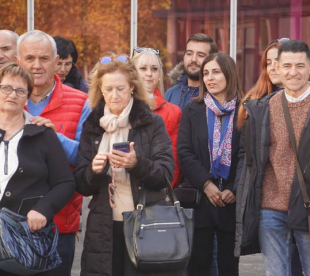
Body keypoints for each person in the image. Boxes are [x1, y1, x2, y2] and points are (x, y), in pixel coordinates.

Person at [234, 40, 310, 276]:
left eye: (300, 65)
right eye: (287, 65)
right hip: (269, 210)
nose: (293, 72)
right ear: (277, 68)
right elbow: (252, 161)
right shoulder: (262, 109)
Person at [74, 53, 180, 276]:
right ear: (100, 91)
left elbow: (165, 174)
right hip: (103, 227)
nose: (114, 95)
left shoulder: (151, 122)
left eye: (120, 88)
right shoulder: (92, 125)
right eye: (108, 89)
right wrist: (94, 170)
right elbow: (82, 185)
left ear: (132, 87)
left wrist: (136, 163)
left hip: (145, 223)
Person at [16, 30, 90, 276]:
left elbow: (85, 158)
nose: (36, 66)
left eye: (44, 58)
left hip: (60, 225)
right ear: (19, 61)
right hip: (10, 223)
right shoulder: (6, 101)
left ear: (57, 61)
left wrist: (54, 137)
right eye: (29, 58)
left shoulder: (82, 102)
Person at [0, 63, 76, 275]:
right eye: (6, 88)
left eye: (20, 90)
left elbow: (66, 182)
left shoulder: (42, 134)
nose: (12, 95)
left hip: (26, 238)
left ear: (27, 98)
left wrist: (44, 208)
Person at [178, 53, 244, 275]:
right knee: (197, 264)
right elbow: (184, 152)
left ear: (229, 74)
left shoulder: (246, 110)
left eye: (215, 72)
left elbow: (248, 155)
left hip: (231, 200)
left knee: (228, 266)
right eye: (206, 73)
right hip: (200, 198)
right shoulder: (192, 109)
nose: (209, 78)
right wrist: (206, 184)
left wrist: (234, 188)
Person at [131, 47, 182, 187]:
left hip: (158, 190)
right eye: (143, 68)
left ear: (159, 74)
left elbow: (174, 161)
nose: (149, 74)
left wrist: (166, 190)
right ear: (133, 73)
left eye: (154, 69)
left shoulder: (174, 112)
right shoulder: (122, 106)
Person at [165, 33, 218, 109]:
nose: (193, 59)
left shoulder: (217, 96)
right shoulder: (170, 94)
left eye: (201, 55)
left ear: (212, 60)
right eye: (189, 54)